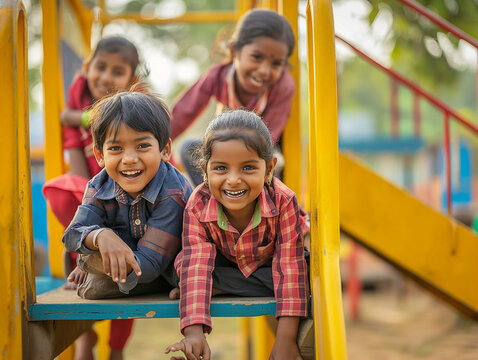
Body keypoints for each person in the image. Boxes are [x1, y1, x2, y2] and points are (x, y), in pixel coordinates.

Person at [165, 110, 309, 360]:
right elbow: (197, 264)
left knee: (301, 274)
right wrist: (194, 333)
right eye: (220, 168)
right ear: (205, 171)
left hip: (270, 266)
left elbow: (289, 267)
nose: (233, 180)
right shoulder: (198, 204)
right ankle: (219, 285)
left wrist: (285, 339)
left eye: (248, 168)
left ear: (269, 170)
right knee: (181, 268)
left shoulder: (284, 201)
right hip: (227, 265)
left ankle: (219, 286)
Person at [42, 36, 143, 360]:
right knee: (62, 188)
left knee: (127, 275)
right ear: (87, 68)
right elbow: (75, 160)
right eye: (100, 67)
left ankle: (116, 349)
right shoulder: (77, 95)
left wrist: (81, 116)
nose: (105, 77)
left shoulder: (137, 104)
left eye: (117, 71)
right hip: (95, 194)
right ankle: (85, 336)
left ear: (131, 79)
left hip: (133, 196)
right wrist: (93, 206)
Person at [63, 91, 192, 300]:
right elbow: (71, 235)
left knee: (95, 288)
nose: (129, 159)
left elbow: (150, 263)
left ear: (165, 150)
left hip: (169, 263)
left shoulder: (172, 192)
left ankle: (92, 264)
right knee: (95, 243)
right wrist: (100, 237)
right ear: (100, 155)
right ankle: (95, 262)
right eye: (116, 148)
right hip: (134, 251)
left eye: (142, 146)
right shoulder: (99, 184)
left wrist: (94, 256)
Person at [170, 9, 295, 185]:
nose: (265, 70)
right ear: (235, 51)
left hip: (256, 156)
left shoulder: (282, 86)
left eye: (276, 63)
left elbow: (270, 134)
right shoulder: (218, 76)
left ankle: (256, 205)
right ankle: (212, 201)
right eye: (256, 57)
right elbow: (184, 111)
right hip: (224, 151)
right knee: (188, 149)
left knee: (274, 166)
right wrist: (160, 140)